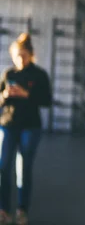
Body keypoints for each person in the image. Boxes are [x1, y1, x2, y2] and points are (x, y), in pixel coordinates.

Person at [0, 33, 52, 225]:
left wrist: (26, 94)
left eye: (24, 55)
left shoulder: (39, 75)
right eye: (17, 55)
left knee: (24, 169)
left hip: (30, 126)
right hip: (8, 125)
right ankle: (3, 210)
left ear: (30, 55)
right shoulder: (8, 74)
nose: (21, 58)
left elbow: (47, 101)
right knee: (3, 168)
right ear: (13, 56)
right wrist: (5, 95)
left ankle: (22, 211)